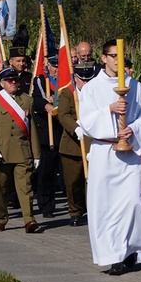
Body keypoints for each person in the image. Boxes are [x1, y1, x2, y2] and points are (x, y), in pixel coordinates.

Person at [77, 39, 141, 276]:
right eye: (113, 56)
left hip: (129, 152)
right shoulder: (92, 88)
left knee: (131, 203)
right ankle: (114, 255)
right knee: (105, 206)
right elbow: (87, 121)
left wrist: (133, 131)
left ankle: (130, 248)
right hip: (104, 152)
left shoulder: (136, 86)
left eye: (121, 57)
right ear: (103, 58)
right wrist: (108, 111)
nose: (117, 61)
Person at [0, 66, 41, 233]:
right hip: (1, 153)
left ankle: (29, 220)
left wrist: (36, 154)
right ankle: (0, 219)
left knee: (26, 188)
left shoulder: (26, 100)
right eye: (9, 80)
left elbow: (33, 129)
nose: (14, 82)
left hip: (23, 152)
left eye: (15, 79)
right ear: (1, 83)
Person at [57, 62, 96, 226]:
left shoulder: (96, 93)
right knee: (73, 181)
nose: (85, 83)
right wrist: (76, 128)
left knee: (92, 181)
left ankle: (92, 211)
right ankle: (75, 211)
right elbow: (63, 114)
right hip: (72, 144)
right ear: (76, 78)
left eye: (89, 79)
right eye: (82, 79)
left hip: (92, 143)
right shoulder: (68, 93)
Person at [31, 54, 63, 218]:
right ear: (48, 66)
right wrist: (47, 104)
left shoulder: (66, 81)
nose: (57, 69)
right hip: (47, 131)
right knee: (47, 171)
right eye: (54, 66)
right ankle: (46, 204)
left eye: (59, 66)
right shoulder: (40, 81)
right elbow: (35, 100)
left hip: (65, 130)